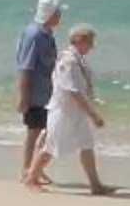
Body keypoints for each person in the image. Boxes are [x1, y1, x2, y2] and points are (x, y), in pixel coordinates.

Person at [41, 25, 115, 195]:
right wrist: (93, 114)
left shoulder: (78, 59)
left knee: (87, 145)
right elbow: (72, 91)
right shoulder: (68, 61)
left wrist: (90, 104)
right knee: (51, 147)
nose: (92, 47)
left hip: (76, 112)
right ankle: (31, 175)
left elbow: (82, 88)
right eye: (90, 42)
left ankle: (95, 184)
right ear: (79, 41)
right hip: (64, 112)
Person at [12, 0, 63, 184]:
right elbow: (25, 67)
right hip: (36, 93)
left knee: (48, 130)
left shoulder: (47, 35)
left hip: (48, 92)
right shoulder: (34, 35)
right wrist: (24, 97)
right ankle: (27, 169)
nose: (60, 16)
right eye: (57, 12)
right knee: (34, 131)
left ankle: (35, 167)